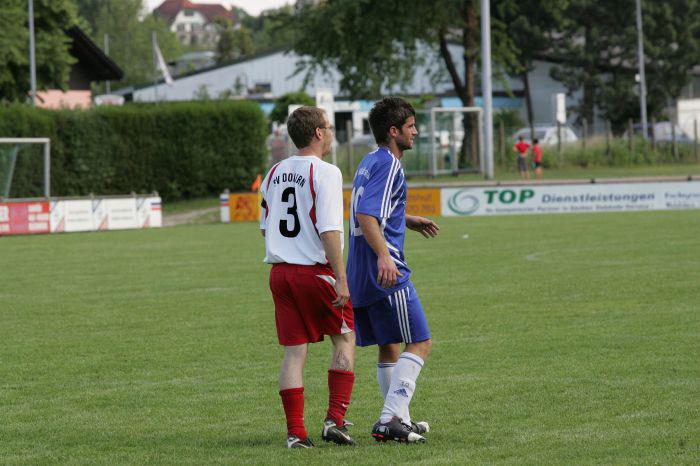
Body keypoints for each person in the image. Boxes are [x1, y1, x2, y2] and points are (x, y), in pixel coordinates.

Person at [259, 106, 356, 449]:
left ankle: (295, 433)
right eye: (328, 127)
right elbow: (329, 230)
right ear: (317, 133)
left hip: (280, 273)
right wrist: (341, 278)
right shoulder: (326, 172)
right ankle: (335, 420)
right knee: (344, 338)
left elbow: (264, 228)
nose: (331, 133)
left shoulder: (273, 173)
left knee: (294, 352)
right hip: (315, 272)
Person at [347, 97, 439, 444]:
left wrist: (407, 219)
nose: (416, 131)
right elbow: (366, 215)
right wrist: (385, 256)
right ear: (394, 131)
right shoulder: (390, 164)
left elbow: (371, 208)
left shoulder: (370, 161)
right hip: (384, 270)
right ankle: (391, 418)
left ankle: (400, 418)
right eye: (411, 126)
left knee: (389, 345)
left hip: (359, 270)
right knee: (421, 342)